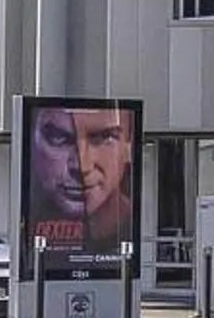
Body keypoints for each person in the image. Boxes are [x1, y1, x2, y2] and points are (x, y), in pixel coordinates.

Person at [27, 103, 136, 262]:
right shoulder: (27, 226)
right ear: (32, 142)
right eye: (58, 138)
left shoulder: (131, 229)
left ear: (129, 147)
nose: (81, 167)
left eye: (104, 137)